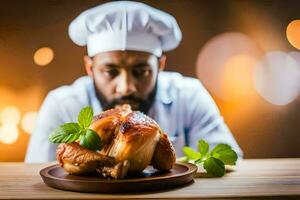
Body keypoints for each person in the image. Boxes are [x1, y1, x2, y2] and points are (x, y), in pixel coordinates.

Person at [25, 1, 242, 163]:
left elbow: (228, 162)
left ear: (161, 66)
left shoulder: (190, 95)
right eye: (110, 72)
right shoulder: (61, 104)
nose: (126, 86)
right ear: (90, 68)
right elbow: (37, 175)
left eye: (141, 71)